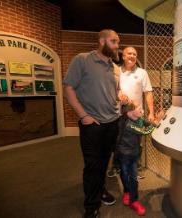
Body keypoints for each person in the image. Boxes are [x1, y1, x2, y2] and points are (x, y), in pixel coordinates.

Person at [63, 29, 128, 218]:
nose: (117, 45)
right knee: (92, 165)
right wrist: (83, 115)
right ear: (101, 41)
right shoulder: (82, 60)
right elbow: (68, 88)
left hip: (112, 122)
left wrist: (120, 96)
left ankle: (100, 191)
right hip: (92, 124)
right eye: (114, 41)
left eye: (118, 41)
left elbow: (115, 92)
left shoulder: (115, 68)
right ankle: (91, 206)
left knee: (103, 163)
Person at [116, 46, 154, 215]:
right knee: (121, 156)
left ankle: (132, 193)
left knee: (131, 156)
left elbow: (148, 93)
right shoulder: (116, 72)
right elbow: (111, 91)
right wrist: (118, 96)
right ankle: (127, 189)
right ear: (123, 56)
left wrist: (152, 113)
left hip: (135, 118)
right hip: (117, 118)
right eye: (129, 53)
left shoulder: (142, 73)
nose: (132, 56)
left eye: (134, 54)